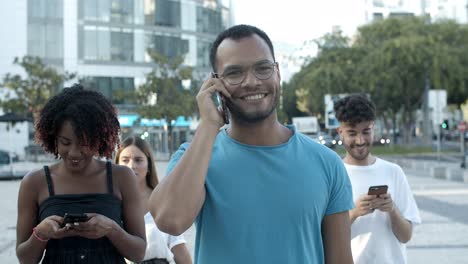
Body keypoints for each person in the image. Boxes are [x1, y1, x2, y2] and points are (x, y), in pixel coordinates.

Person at [149, 24, 354, 264]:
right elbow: (170, 220)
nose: (251, 81)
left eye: (263, 68)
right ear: (215, 83)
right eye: (235, 73)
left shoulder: (326, 163)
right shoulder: (195, 156)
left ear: (278, 73)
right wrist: (208, 125)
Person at [16, 84, 146, 263]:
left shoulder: (122, 177)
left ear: (99, 139)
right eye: (66, 142)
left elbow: (138, 253)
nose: (74, 152)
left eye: (84, 143)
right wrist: (40, 234)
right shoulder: (34, 183)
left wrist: (111, 229)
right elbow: (25, 259)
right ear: (53, 139)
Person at [334, 93, 421, 264]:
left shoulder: (394, 172)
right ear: (340, 132)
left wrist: (392, 209)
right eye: (352, 133)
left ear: (373, 128)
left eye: (366, 132)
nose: (360, 141)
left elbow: (406, 236)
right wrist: (354, 213)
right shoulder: (334, 175)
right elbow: (326, 238)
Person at [115, 136, 192, 264]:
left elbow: (179, 248)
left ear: (149, 165)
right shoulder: (111, 204)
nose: (131, 166)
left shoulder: (162, 202)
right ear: (116, 165)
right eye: (125, 160)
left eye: (138, 160)